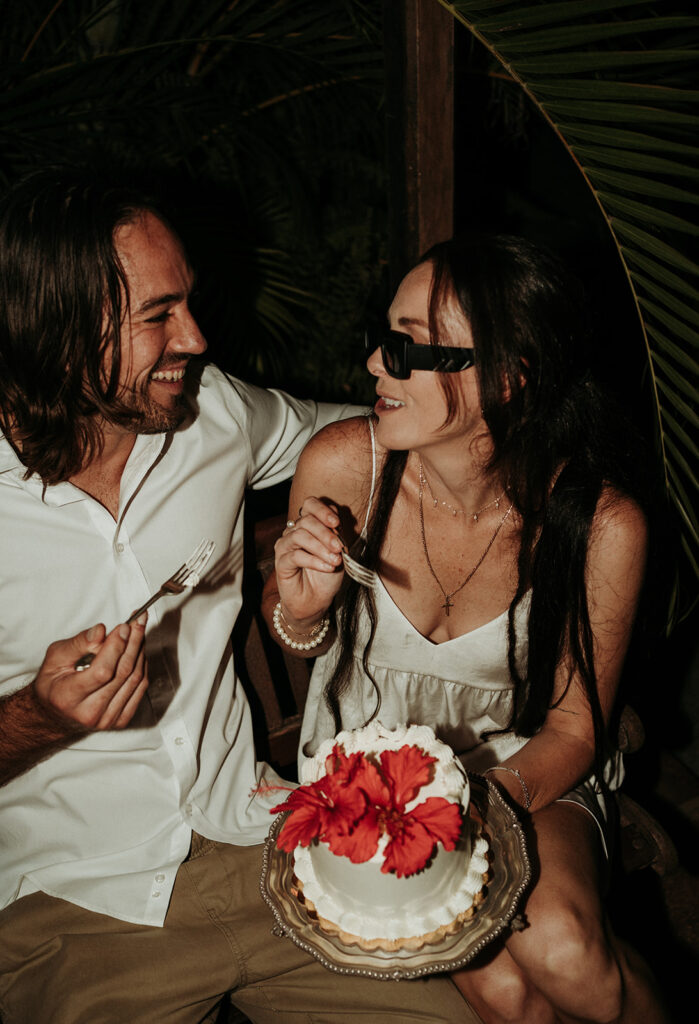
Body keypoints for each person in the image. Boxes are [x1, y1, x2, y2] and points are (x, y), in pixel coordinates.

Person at [0, 171, 479, 1023]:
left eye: (189, 303)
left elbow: (372, 436)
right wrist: (39, 716)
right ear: (56, 329)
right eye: (158, 316)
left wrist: (502, 418)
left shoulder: (211, 413)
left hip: (264, 843)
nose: (196, 336)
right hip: (69, 905)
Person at [264, 234, 670, 1024]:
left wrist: (464, 807)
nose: (377, 366)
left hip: (524, 766)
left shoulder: (600, 522)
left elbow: (576, 728)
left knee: (569, 955)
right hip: (368, 774)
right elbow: (301, 643)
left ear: (512, 377)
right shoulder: (346, 468)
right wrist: (303, 612)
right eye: (385, 339)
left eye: (410, 348)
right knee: (507, 994)